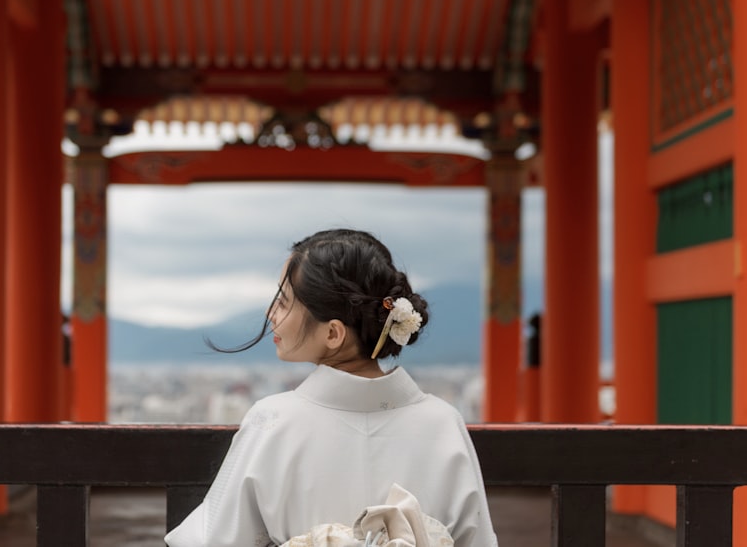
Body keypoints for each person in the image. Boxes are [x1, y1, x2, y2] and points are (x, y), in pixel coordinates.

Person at [165, 229, 498, 547]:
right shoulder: (443, 422)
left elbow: (214, 540)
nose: (271, 314)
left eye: (283, 302)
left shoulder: (272, 421)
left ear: (333, 334)